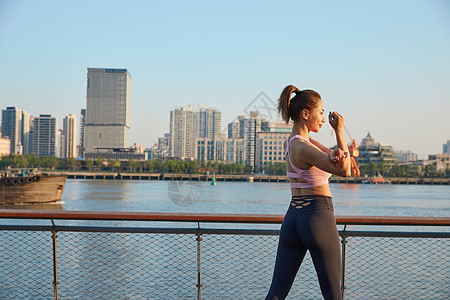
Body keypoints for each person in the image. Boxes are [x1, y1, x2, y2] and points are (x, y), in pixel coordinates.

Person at [265, 85, 351, 300]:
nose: (323, 118)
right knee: (334, 296)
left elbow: (332, 157)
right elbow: (345, 170)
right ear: (305, 114)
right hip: (317, 217)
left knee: (276, 294)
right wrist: (340, 130)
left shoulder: (295, 142)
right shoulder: (303, 147)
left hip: (293, 218)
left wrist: (334, 154)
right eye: (321, 112)